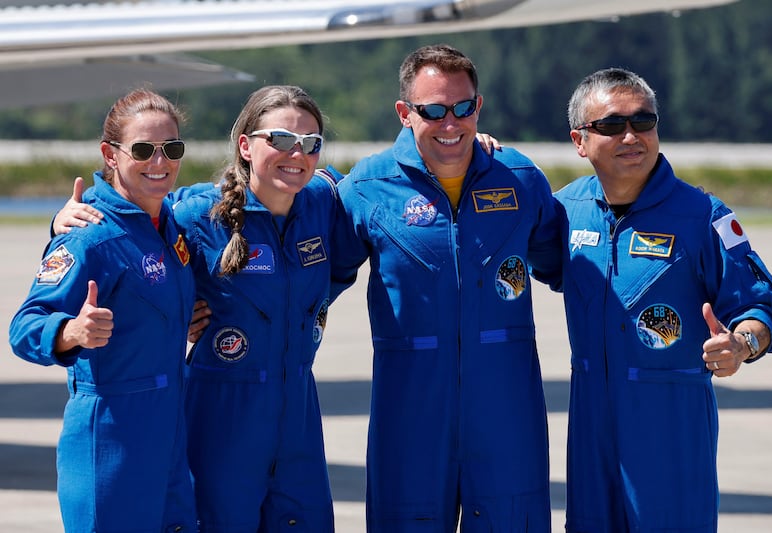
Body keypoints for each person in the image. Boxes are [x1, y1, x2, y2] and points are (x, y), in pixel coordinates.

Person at [330, 44, 562, 532]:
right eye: (433, 110)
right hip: (410, 413)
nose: (450, 123)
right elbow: (309, 277)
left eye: (462, 108)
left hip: (506, 413)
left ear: (478, 107)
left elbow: (578, 269)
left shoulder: (519, 179)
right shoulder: (367, 187)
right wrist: (214, 305)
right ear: (405, 113)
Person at [554, 67, 772, 532]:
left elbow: (760, 308)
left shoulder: (702, 216)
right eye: (612, 125)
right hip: (590, 424)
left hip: (670, 426)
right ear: (580, 141)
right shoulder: (561, 210)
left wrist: (741, 345)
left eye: (644, 121)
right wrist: (485, 156)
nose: (631, 136)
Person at [8, 89, 198, 532]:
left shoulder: (170, 224)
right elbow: (24, 327)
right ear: (110, 155)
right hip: (113, 439)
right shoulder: (88, 234)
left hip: (170, 434)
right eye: (143, 150)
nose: (159, 162)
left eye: (171, 149)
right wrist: (70, 332)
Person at [172, 85, 337, 532]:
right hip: (222, 417)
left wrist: (476, 147)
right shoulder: (199, 215)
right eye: (280, 139)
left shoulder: (323, 203)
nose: (296, 153)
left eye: (309, 143)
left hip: (298, 415)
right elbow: (126, 224)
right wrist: (174, 312)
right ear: (245, 145)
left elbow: (391, 184)